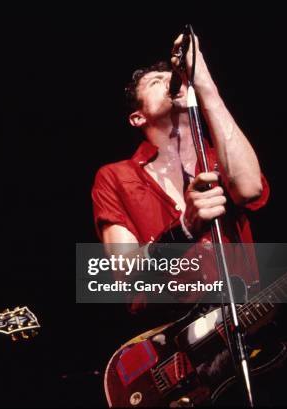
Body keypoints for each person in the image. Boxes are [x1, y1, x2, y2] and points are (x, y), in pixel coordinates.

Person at [91, 33, 269, 311]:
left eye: (172, 76)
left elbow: (249, 189)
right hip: (178, 340)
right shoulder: (116, 177)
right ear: (138, 117)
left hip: (245, 322)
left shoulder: (220, 158)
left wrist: (203, 82)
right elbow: (124, 275)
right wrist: (184, 229)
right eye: (155, 81)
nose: (170, 79)